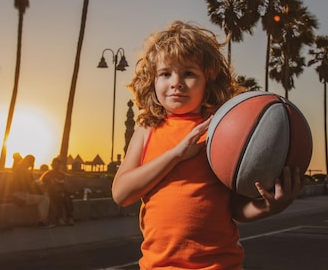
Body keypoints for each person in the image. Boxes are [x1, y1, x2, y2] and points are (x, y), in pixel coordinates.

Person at [111, 21, 302, 268]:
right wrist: (176, 154)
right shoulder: (147, 130)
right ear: (152, 80)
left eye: (189, 73)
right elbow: (121, 193)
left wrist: (271, 206)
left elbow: (237, 211)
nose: (176, 82)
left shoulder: (223, 129)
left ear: (208, 80)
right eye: (165, 73)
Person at [10, 154, 51, 227]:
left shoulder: (22, 170)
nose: (31, 164)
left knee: (44, 197)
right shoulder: (22, 171)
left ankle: (43, 220)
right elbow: (25, 186)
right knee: (45, 199)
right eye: (31, 162)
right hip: (19, 196)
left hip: (21, 194)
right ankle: (43, 221)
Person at [40, 156, 74, 226]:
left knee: (67, 198)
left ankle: (69, 218)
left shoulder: (62, 174)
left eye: (58, 165)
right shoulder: (47, 174)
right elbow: (43, 185)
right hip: (51, 193)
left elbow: (66, 185)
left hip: (61, 192)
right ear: (52, 165)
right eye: (55, 164)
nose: (57, 166)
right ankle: (60, 218)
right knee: (57, 198)